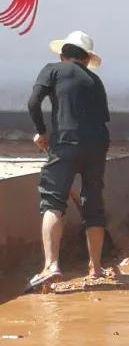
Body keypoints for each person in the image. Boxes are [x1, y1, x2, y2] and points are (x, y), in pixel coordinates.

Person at [25, 31, 110, 292]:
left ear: (63, 54)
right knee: (93, 203)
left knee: (52, 201)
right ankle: (96, 268)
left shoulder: (53, 69)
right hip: (98, 145)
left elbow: (33, 102)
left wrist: (41, 131)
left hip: (66, 143)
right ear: (86, 60)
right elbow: (102, 119)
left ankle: (51, 265)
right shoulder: (95, 81)